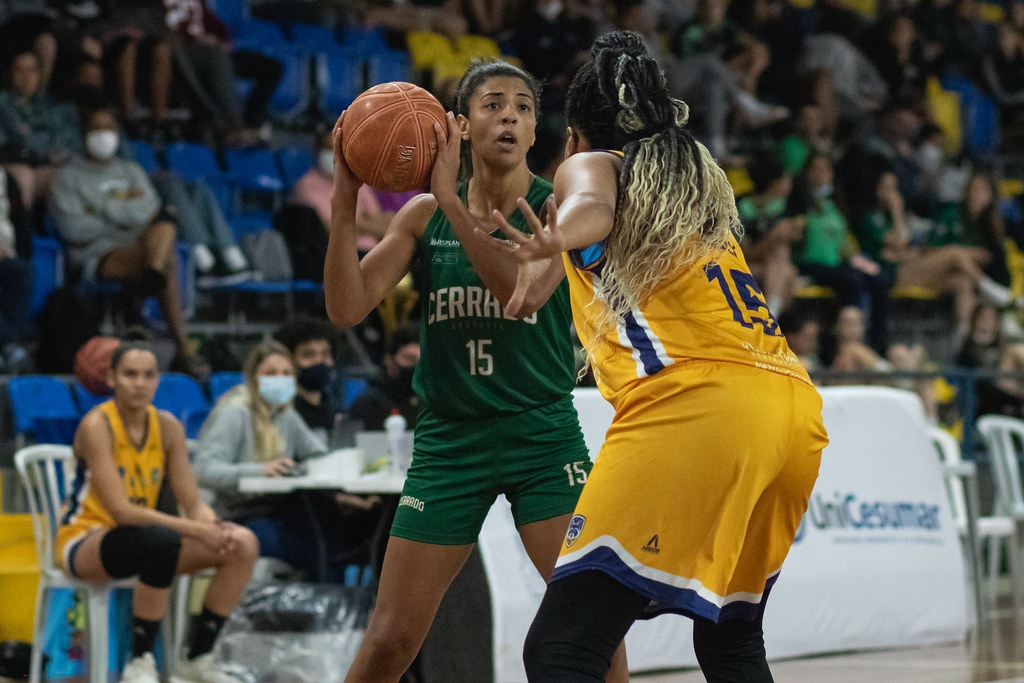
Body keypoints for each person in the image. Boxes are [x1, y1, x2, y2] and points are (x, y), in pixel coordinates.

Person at [478, 31, 828, 680]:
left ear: (575, 132)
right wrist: (469, 204)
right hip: (790, 411)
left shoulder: (594, 166)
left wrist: (558, 229)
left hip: (697, 407)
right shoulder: (693, 188)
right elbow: (524, 300)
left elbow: (588, 201)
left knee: (562, 647)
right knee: (730, 640)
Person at [325, 59, 628, 681]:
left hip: (541, 435)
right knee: (391, 638)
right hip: (450, 441)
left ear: (536, 130)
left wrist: (447, 202)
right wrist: (344, 193)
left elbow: (522, 292)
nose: (509, 115)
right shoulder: (419, 217)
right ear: (458, 126)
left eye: (521, 105)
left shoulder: (558, 210)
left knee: (590, 630)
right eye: (492, 104)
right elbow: (345, 307)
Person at [54, 341, 259, 683]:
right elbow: (122, 513)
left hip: (147, 542)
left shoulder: (167, 427)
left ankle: (198, 657)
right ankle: (140, 661)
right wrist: (195, 530)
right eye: (130, 374)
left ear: (158, 380)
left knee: (243, 543)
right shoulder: (96, 426)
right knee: (160, 540)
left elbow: (192, 503)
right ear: (111, 378)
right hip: (85, 539)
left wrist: (213, 526)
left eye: (148, 375)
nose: (139, 383)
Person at [49, 106, 209, 379]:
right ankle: (183, 347)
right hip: (95, 254)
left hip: (142, 247)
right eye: (96, 129)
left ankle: (153, 274)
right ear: (83, 133)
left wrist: (100, 208)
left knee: (165, 226)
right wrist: (124, 207)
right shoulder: (67, 177)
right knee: (165, 259)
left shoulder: (131, 170)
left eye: (108, 129)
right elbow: (74, 229)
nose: (103, 135)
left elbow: (151, 210)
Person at [193, 340, 354, 582]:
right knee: (311, 542)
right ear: (253, 376)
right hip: (235, 514)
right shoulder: (236, 412)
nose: (279, 379)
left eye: (286, 373)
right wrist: (260, 470)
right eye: (271, 373)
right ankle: (315, 605)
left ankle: (328, 608)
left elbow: (317, 452)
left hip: (275, 508)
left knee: (332, 526)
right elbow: (205, 470)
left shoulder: (284, 413)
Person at [272, 315, 345, 436]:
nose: (319, 361)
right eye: (309, 355)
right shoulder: (279, 412)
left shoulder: (337, 411)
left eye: (326, 354)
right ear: (288, 361)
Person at [347, 325, 421, 431]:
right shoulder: (368, 404)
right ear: (389, 360)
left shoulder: (432, 403)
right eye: (409, 359)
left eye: (422, 361)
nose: (417, 367)